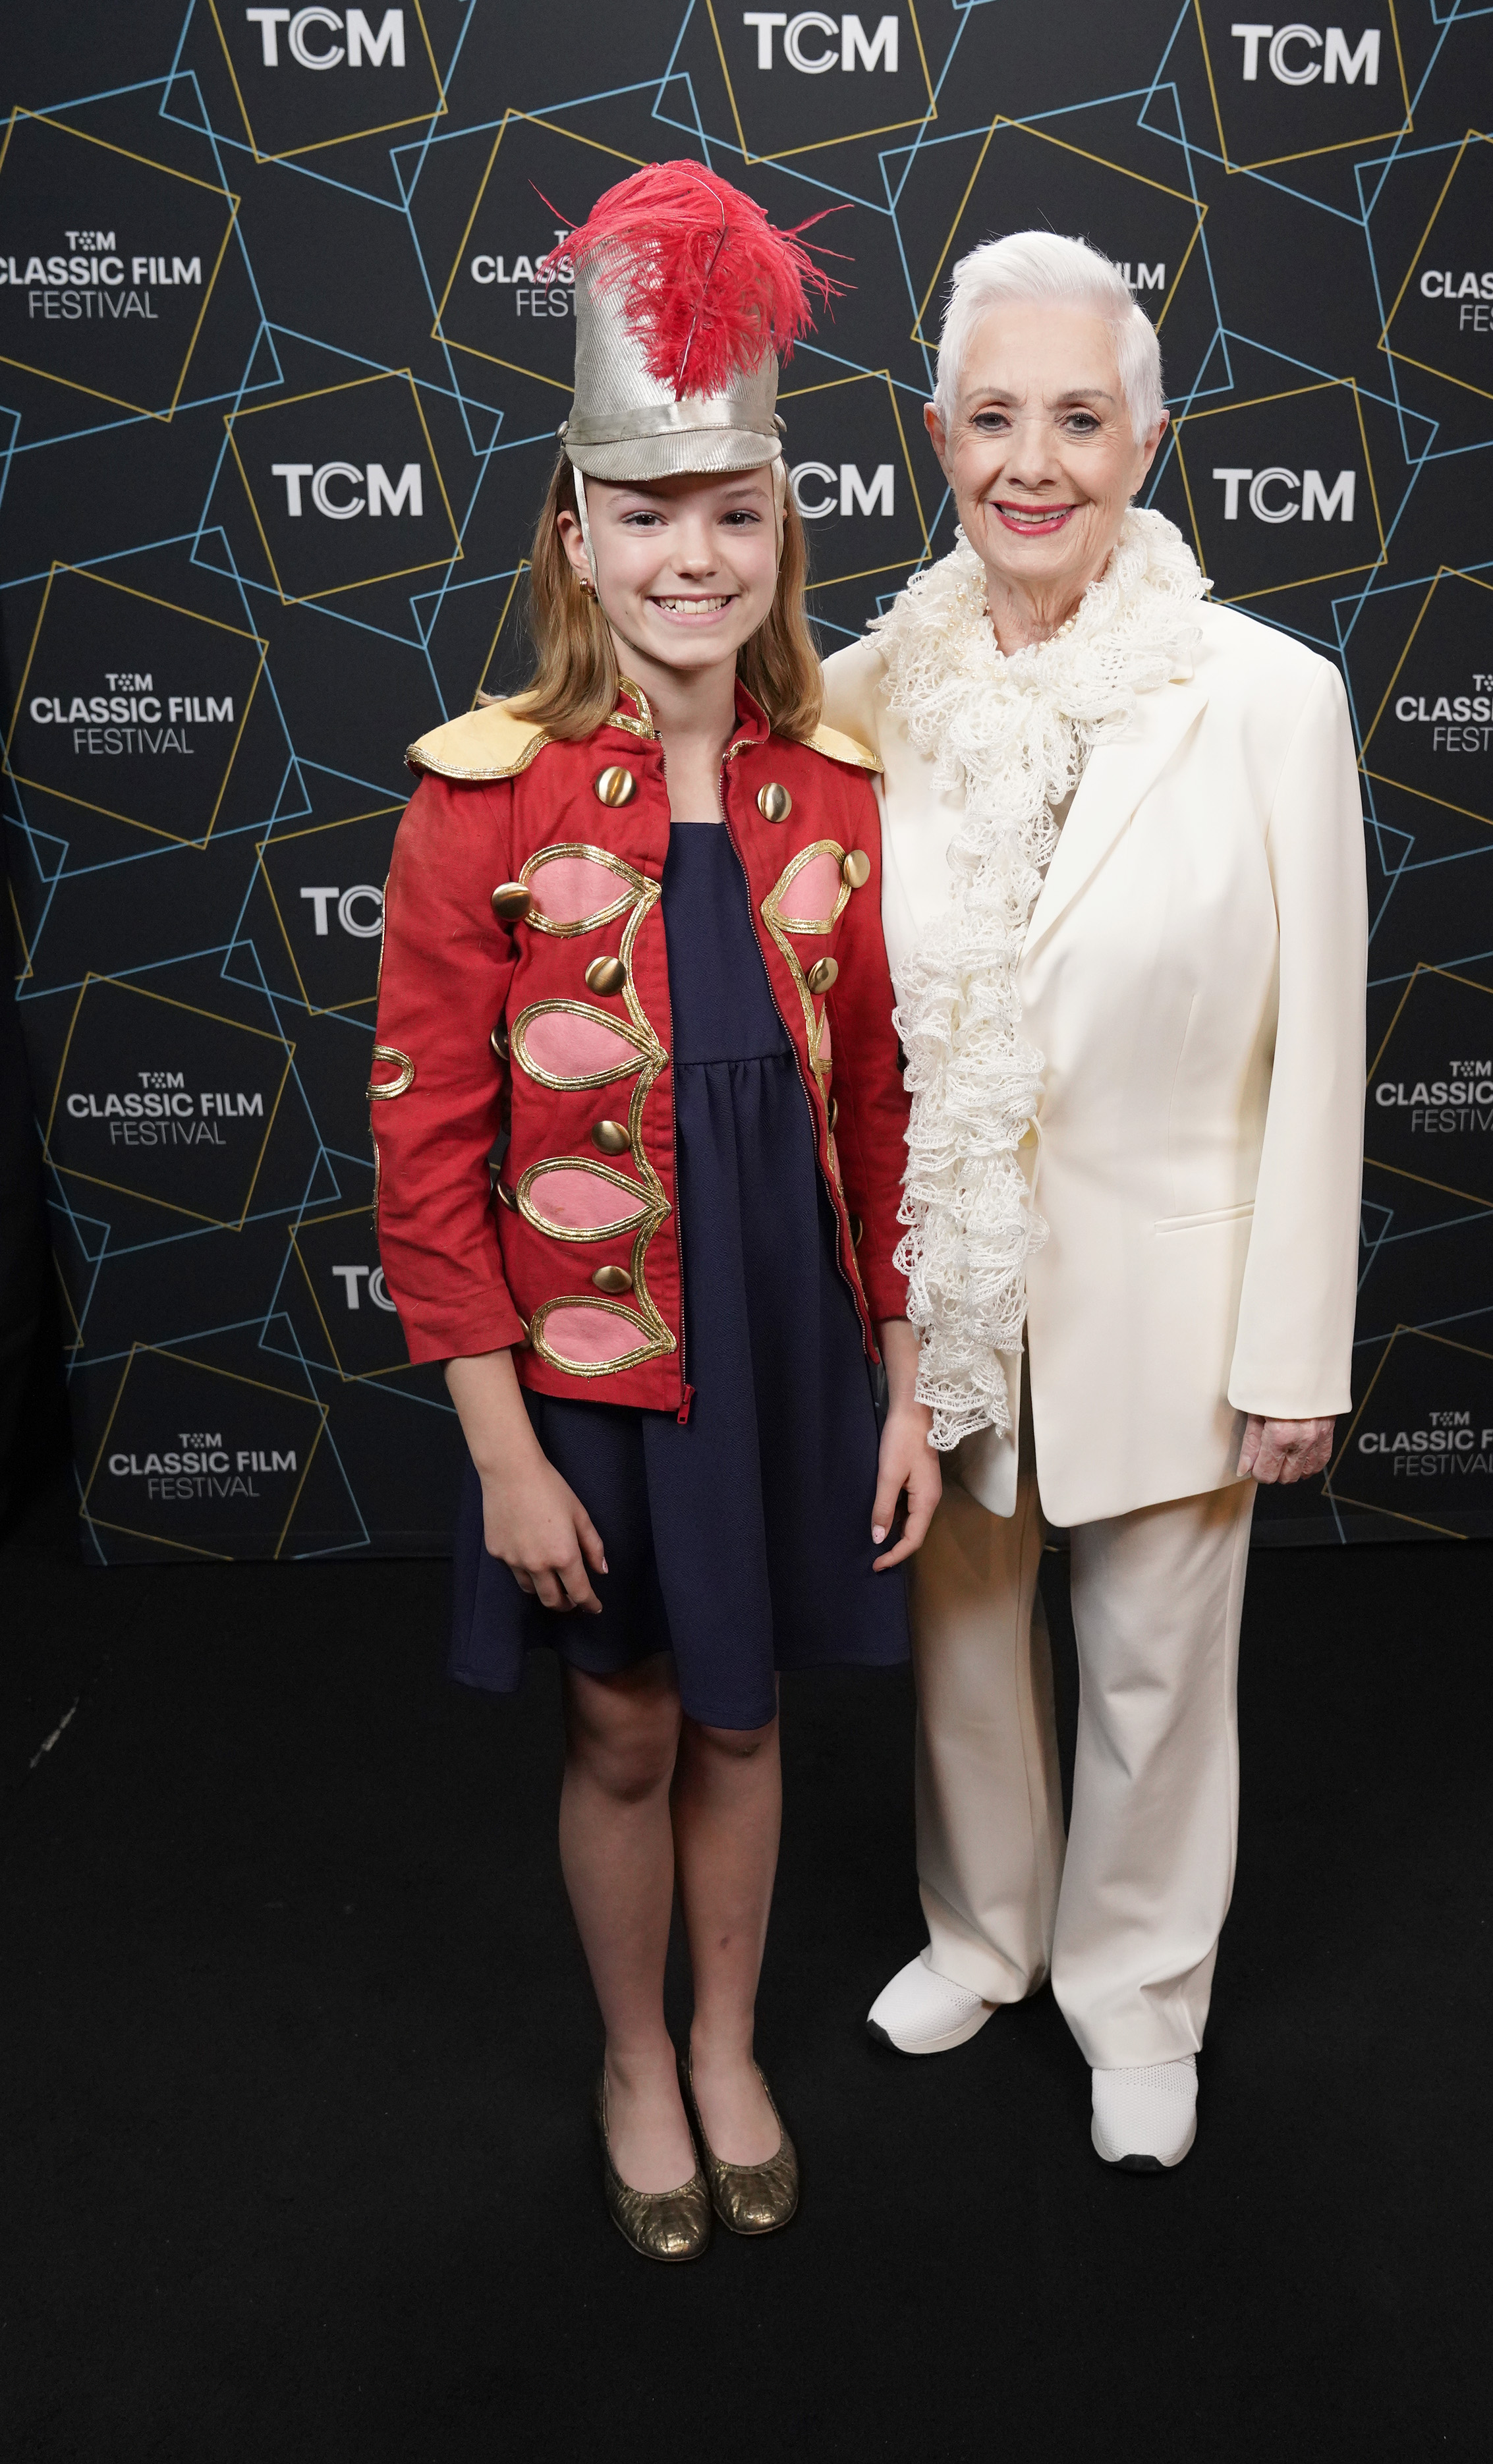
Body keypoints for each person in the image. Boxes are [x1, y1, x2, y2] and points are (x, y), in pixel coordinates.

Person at [370, 163, 940, 2261]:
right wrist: (504, 1450)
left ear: (783, 527)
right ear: (574, 535)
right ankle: (631, 2053)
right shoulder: (480, 797)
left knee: (749, 1709)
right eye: (645, 513)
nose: (689, 558)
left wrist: (901, 1387)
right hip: (588, 1390)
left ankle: (726, 2039)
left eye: (733, 512)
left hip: (787, 1355)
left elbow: (881, 1118)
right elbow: (423, 1156)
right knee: (620, 1715)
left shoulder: (843, 793)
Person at [820, 231, 1366, 2171]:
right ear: (935, 439)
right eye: (992, 417)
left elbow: (1321, 1051)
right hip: (949, 1299)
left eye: (1077, 415)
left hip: (1174, 1289)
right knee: (968, 1634)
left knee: (1152, 1660)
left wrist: (1298, 1342)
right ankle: (981, 1930)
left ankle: (1138, 1991)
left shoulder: (1269, 700)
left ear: (1151, 433)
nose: (1032, 461)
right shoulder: (866, 691)